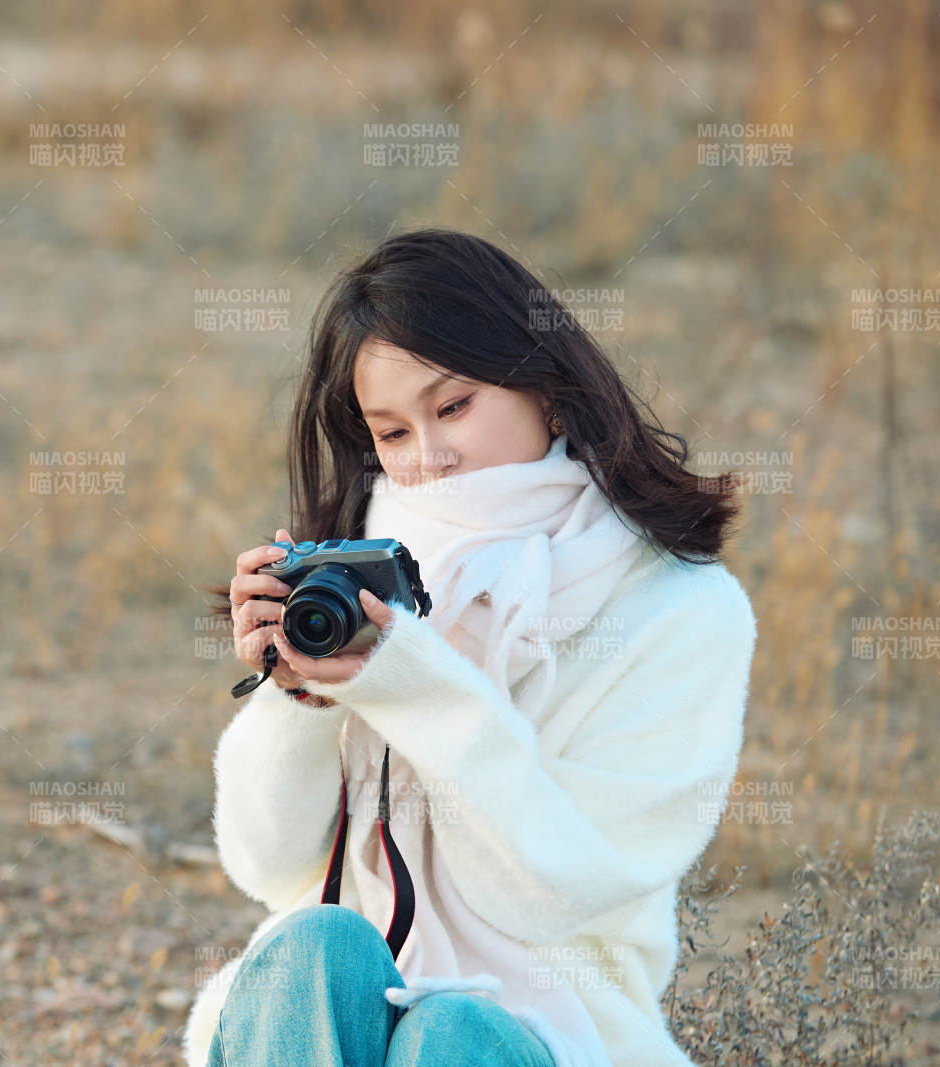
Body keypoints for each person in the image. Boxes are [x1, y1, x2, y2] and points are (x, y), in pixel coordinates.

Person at [185, 227, 757, 1067]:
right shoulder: (361, 568)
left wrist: (408, 682)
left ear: (549, 390)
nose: (431, 458)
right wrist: (300, 694)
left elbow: (545, 896)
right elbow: (266, 863)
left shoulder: (680, 610)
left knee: (453, 1034)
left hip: (555, 1029)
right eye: (392, 432)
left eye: (452, 406)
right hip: (328, 1021)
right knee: (316, 945)